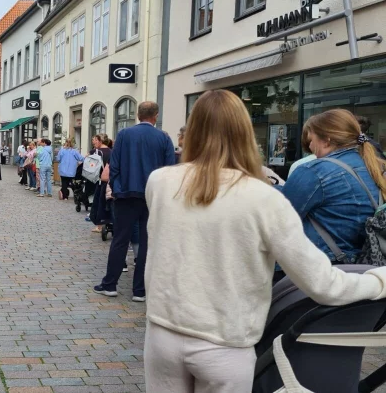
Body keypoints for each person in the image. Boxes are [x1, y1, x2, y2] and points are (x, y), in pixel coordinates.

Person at [142, 89, 386, 392]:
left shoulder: (160, 182)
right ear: (245, 132)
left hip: (163, 335)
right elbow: (323, 285)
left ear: (192, 131)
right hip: (226, 345)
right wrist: (378, 281)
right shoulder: (263, 199)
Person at [279, 109, 386, 273]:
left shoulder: (315, 171)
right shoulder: (376, 167)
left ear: (326, 140)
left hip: (320, 271)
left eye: (311, 140)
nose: (310, 147)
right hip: (366, 269)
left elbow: (278, 220)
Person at [95, 101, 175, 302]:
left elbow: (115, 164)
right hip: (151, 197)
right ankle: (140, 290)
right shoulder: (164, 138)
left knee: (120, 240)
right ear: (155, 116)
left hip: (125, 195)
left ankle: (110, 284)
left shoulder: (124, 135)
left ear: (138, 115)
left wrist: (117, 186)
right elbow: (169, 170)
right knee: (147, 243)